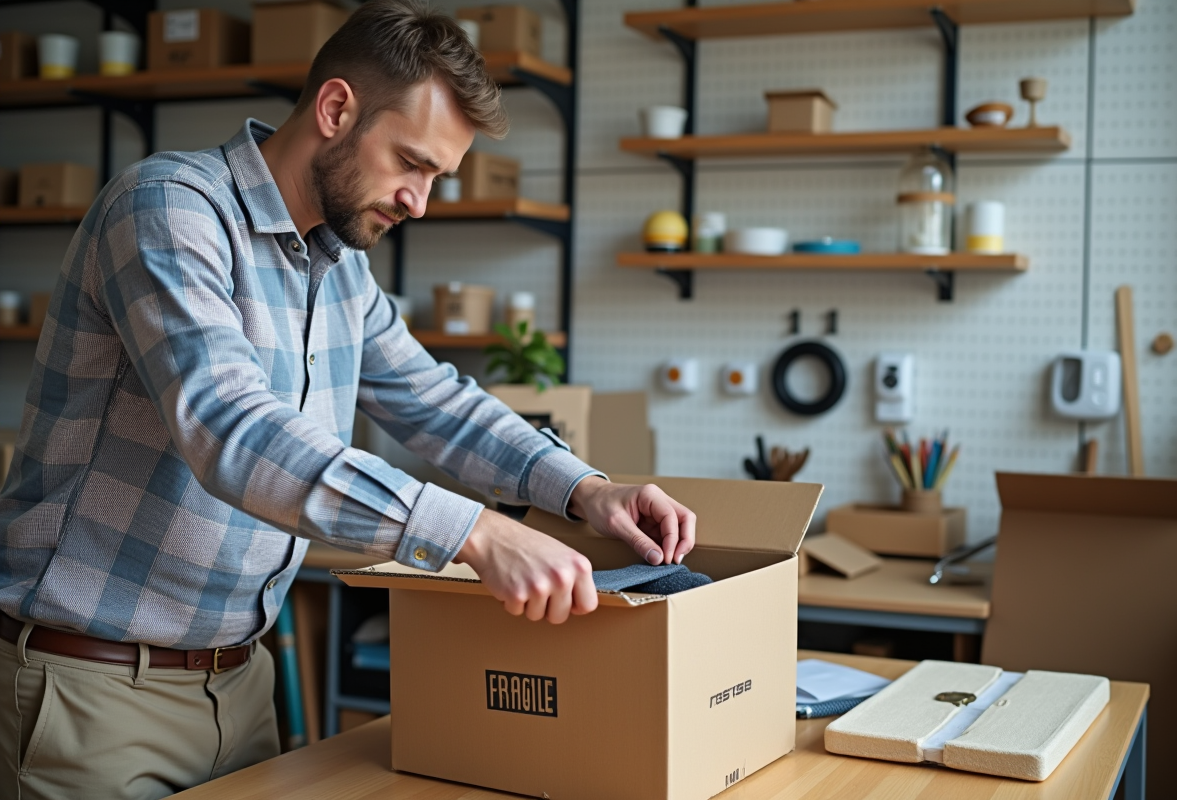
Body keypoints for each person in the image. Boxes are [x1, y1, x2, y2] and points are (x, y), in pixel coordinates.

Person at [0, 2, 696, 798]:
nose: (419, 201)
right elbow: (228, 427)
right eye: (412, 162)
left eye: (435, 176)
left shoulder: (339, 266)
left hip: (239, 683)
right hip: (92, 690)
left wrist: (585, 488)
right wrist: (472, 532)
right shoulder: (168, 209)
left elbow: (434, 400)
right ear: (336, 109)